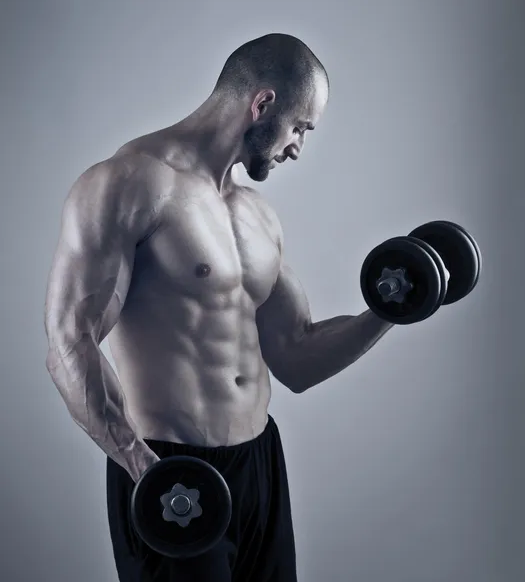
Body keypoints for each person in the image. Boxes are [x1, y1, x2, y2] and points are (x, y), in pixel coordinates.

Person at [44, 33, 394, 582]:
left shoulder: (257, 216)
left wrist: (393, 308)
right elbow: (70, 343)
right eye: (300, 127)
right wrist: (141, 467)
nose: (298, 147)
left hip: (259, 466)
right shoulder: (128, 184)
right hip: (170, 472)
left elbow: (297, 354)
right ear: (263, 103)